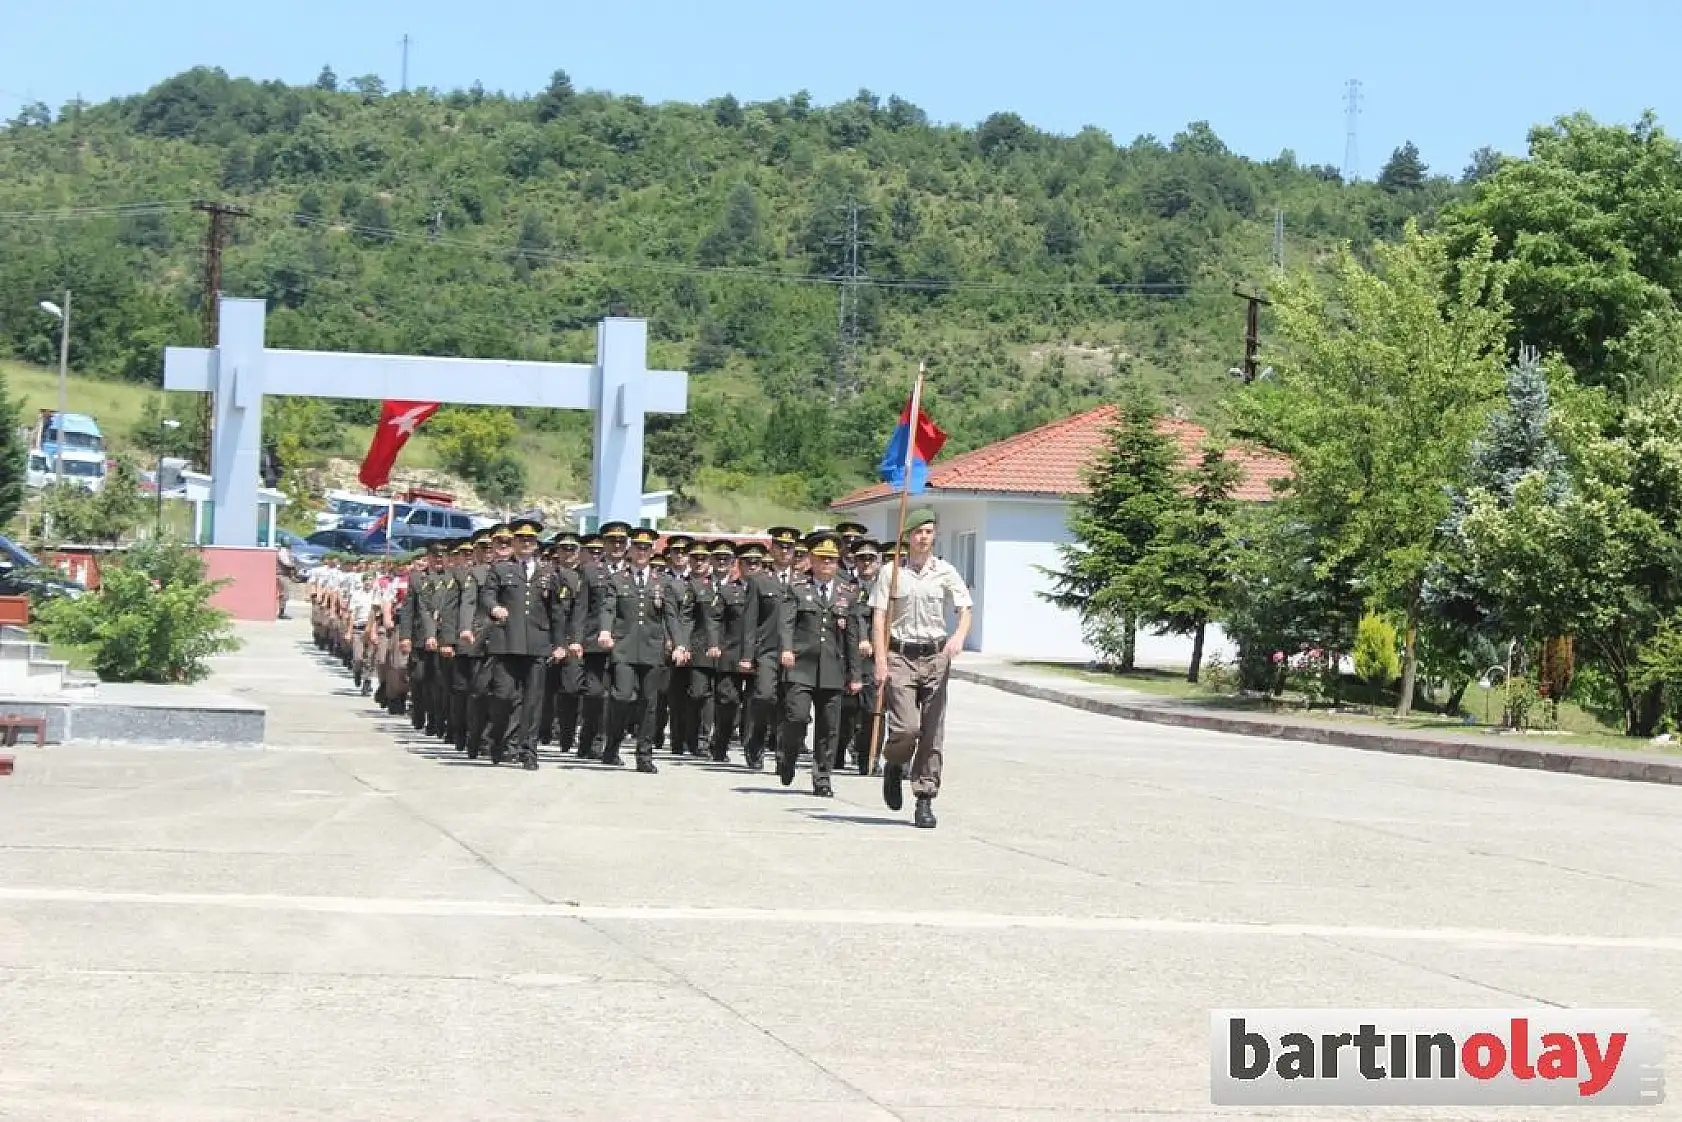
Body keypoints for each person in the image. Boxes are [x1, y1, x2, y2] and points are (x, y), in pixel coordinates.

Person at [869, 508, 972, 829]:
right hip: (900, 655)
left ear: (934, 534)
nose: (923, 537)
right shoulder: (891, 573)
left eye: (928, 531)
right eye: (917, 532)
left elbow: (964, 608)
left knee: (931, 730)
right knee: (906, 728)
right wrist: (881, 660)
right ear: (907, 536)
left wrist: (958, 636)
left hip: (936, 657)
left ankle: (924, 798)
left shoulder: (946, 572)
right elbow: (879, 618)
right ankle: (895, 764)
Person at [777, 531, 861, 797]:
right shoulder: (798, 588)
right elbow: (786, 623)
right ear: (812, 560)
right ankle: (787, 755)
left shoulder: (848, 593)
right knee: (797, 718)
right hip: (801, 666)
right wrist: (787, 649)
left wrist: (855, 674)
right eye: (821, 559)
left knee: (829, 726)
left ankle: (822, 777)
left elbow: (851, 636)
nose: (827, 564)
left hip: (832, 670)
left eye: (832, 560)